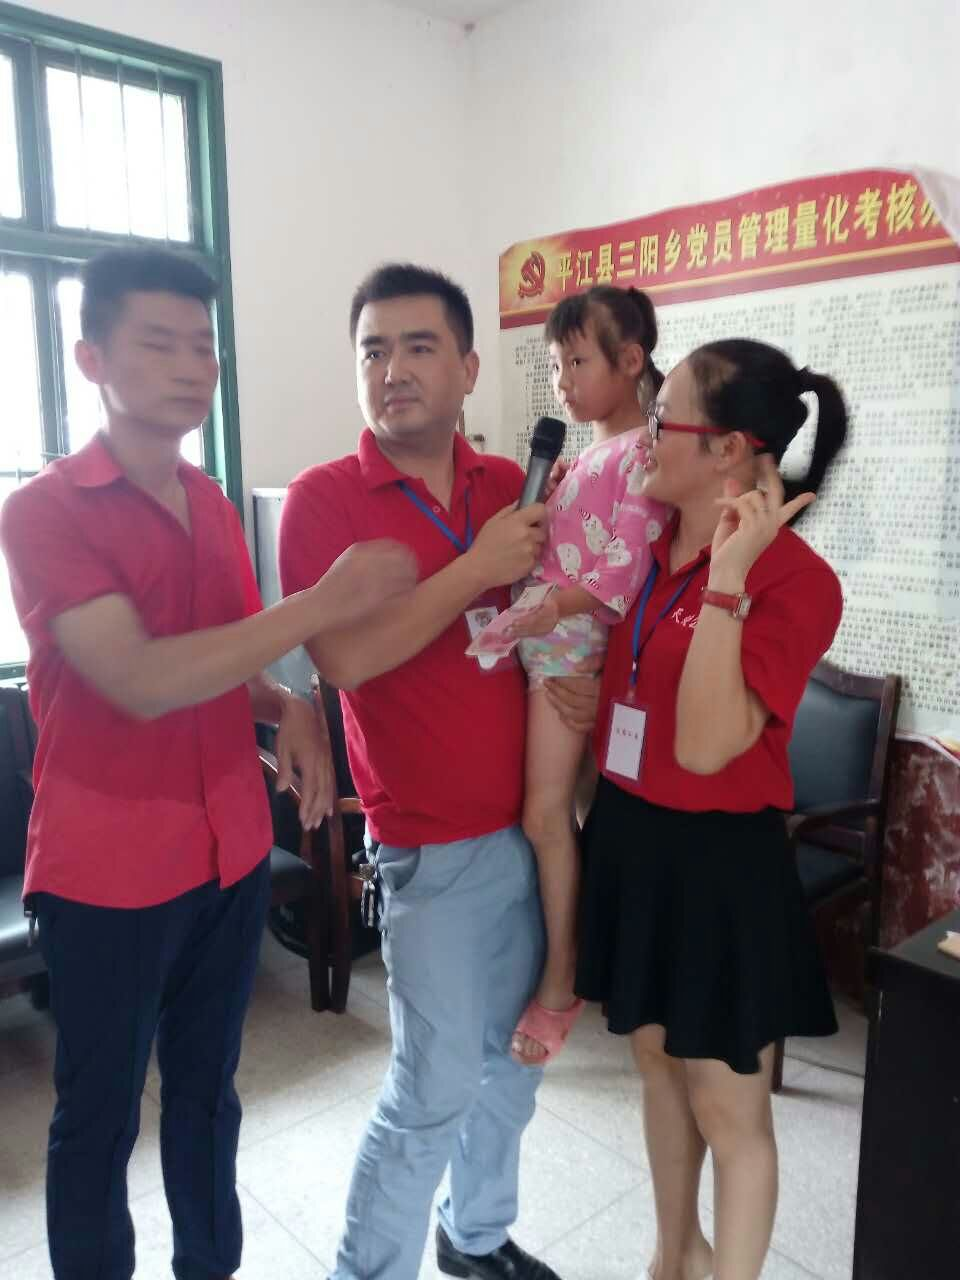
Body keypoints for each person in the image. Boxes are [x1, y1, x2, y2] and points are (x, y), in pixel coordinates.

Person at [0, 247, 414, 1280]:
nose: (192, 366)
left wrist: (290, 705)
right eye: (160, 343)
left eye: (204, 346)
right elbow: (140, 677)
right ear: (92, 357)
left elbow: (226, 664)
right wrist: (320, 605)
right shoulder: (43, 511)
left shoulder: (212, 501)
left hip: (228, 852)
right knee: (98, 1116)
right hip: (107, 872)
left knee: (206, 1094)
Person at [278, 262, 598, 1280]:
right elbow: (344, 659)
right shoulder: (325, 501)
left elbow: (565, 610)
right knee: (431, 1090)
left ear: (467, 368)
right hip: (433, 851)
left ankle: (476, 1236)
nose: (394, 370)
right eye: (373, 350)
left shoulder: (512, 487)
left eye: (419, 347)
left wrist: (584, 688)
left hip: (537, 831)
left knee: (513, 1069)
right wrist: (473, 569)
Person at [574, 339, 847, 1280]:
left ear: (728, 449)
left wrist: (728, 578)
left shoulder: (795, 581)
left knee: (728, 1104)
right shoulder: (650, 549)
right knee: (656, 1064)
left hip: (721, 860)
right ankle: (673, 1256)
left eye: (663, 417)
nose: (644, 432)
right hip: (633, 838)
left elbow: (703, 745)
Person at [506, 286, 671, 1067]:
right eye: (555, 366)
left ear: (630, 361)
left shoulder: (641, 453)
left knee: (545, 816)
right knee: (568, 813)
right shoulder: (595, 455)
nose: (562, 382)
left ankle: (560, 979)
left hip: (568, 652)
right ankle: (583, 956)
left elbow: (621, 576)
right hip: (547, 643)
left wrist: (549, 607)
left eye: (577, 363)